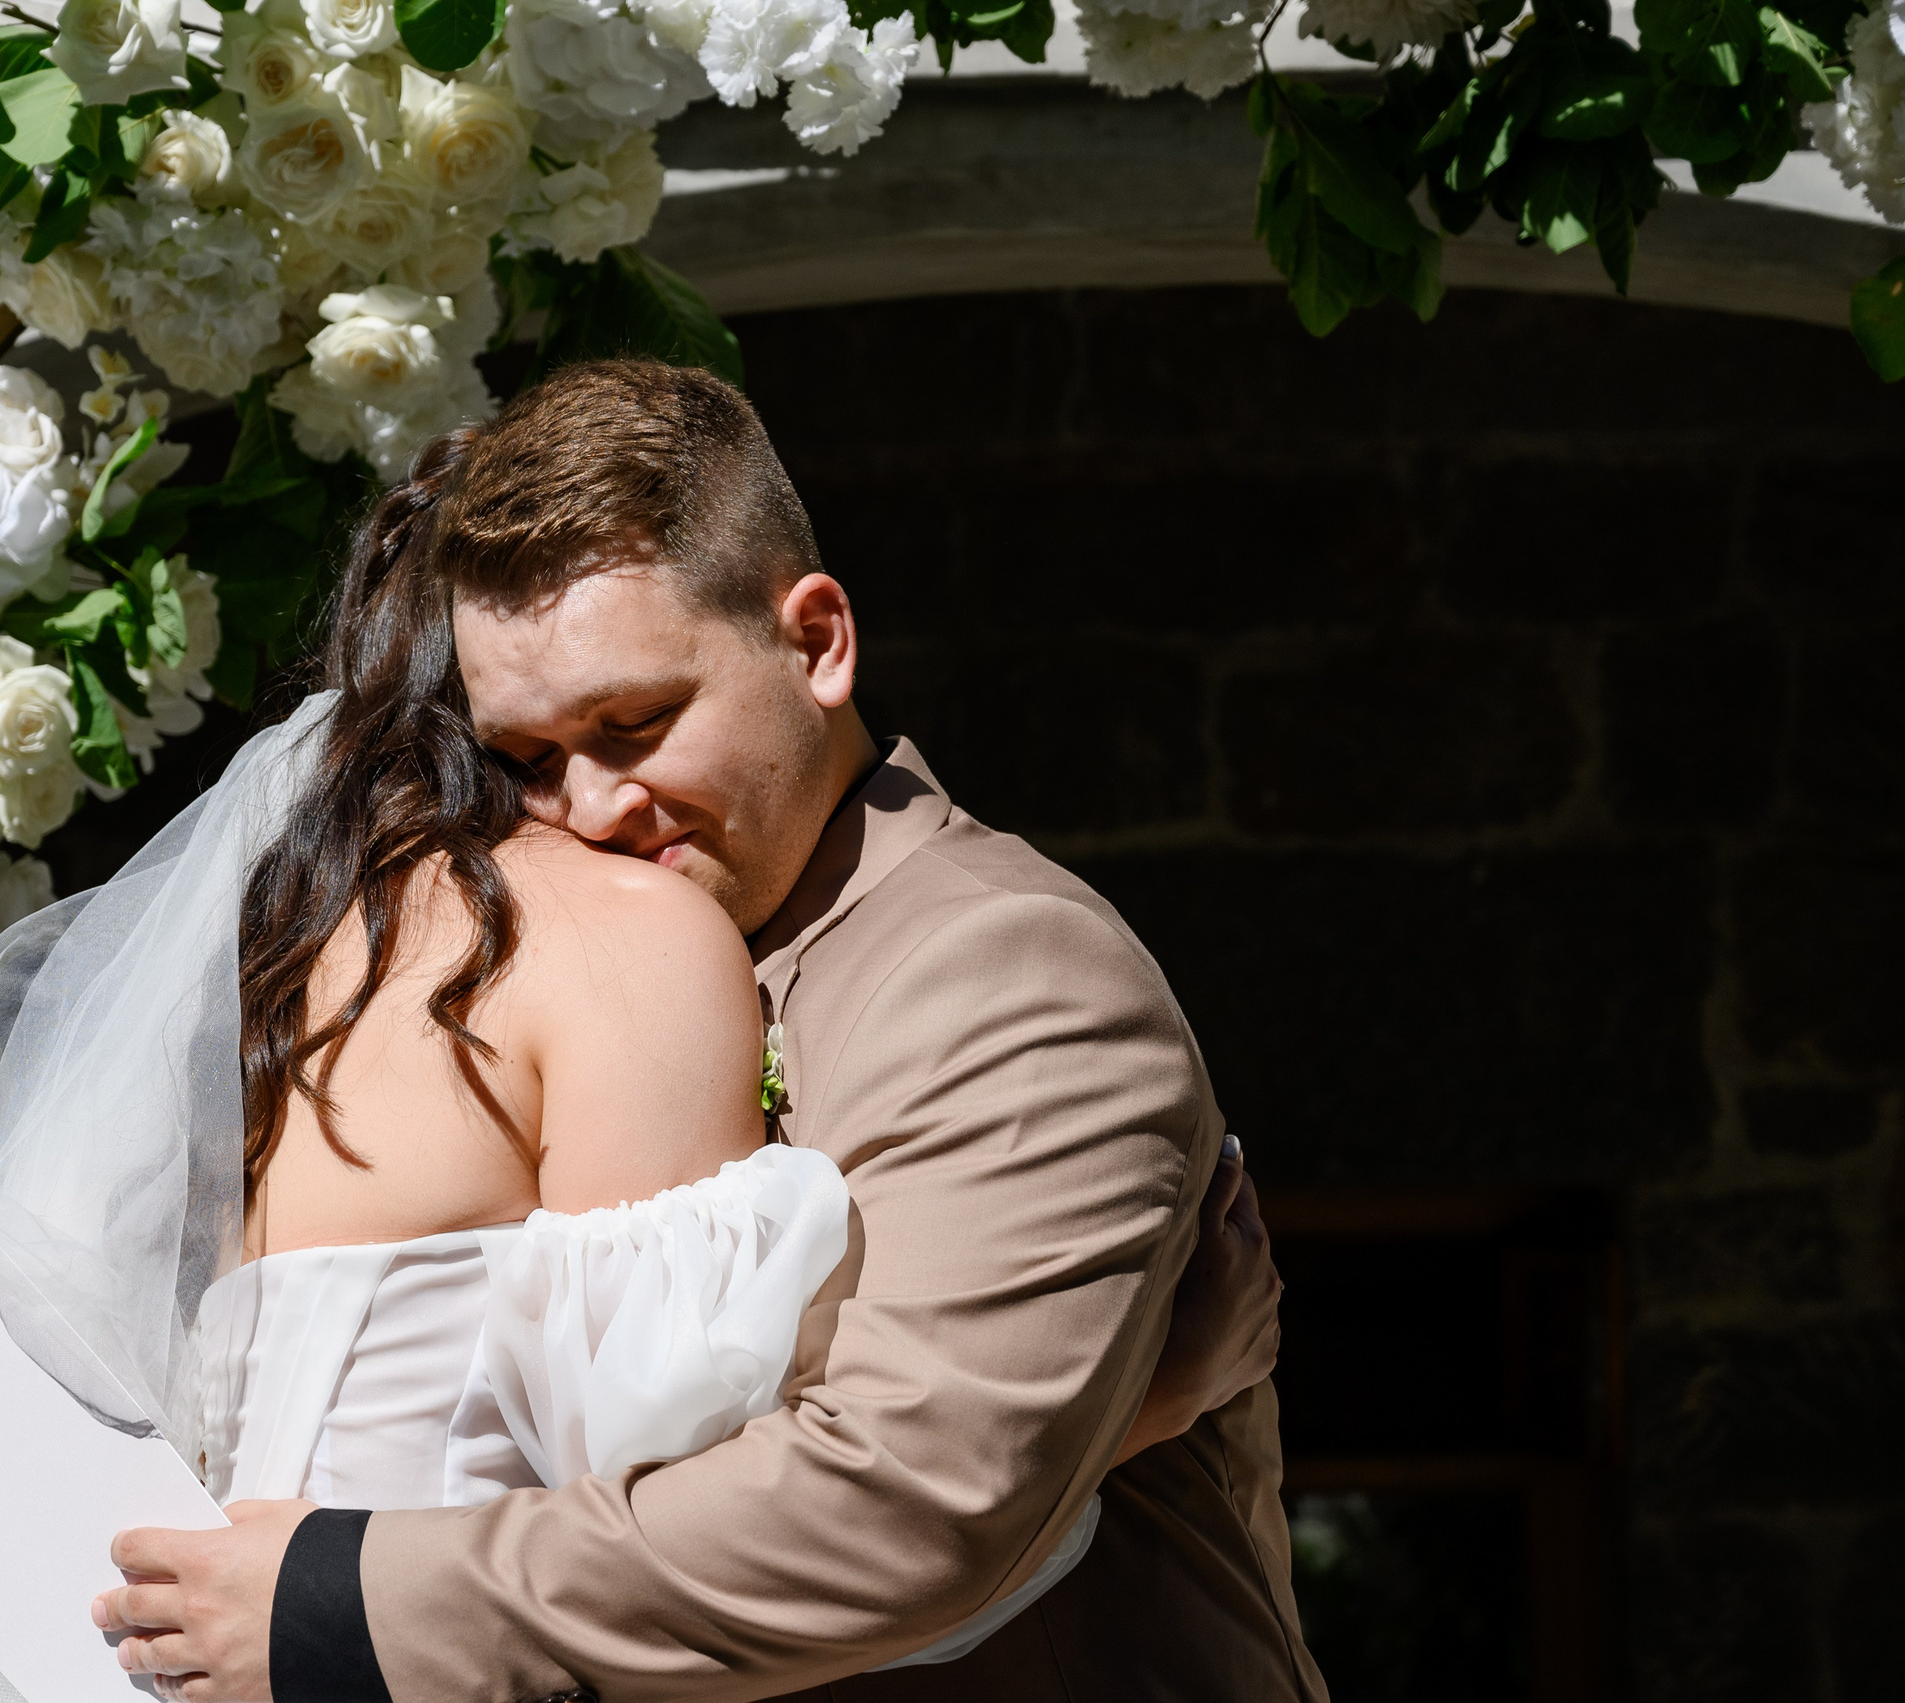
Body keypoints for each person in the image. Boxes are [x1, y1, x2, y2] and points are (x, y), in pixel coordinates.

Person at [91, 361, 1318, 1703]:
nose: (593, 804)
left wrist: (346, 1599)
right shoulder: (558, 954)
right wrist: (1131, 1413)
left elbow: (911, 1502)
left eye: (636, 724)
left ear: (817, 641)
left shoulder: (1007, 974)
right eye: (529, 759)